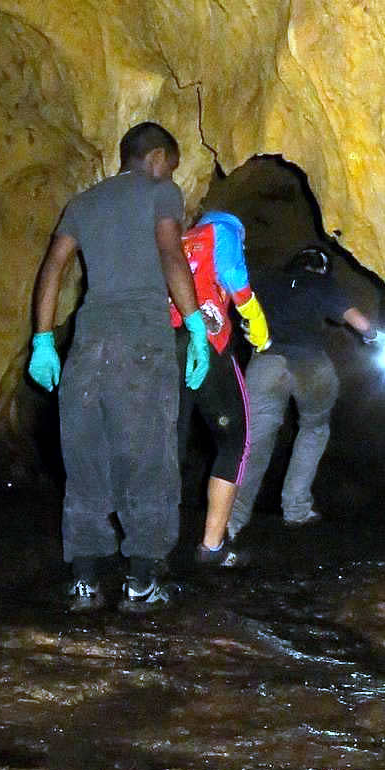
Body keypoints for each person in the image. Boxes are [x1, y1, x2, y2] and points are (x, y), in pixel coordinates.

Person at [27, 122, 211, 615]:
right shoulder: (160, 191)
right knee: (148, 458)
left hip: (87, 347)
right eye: (170, 164)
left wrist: (43, 339)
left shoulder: (83, 203)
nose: (172, 174)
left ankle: (86, 583)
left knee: (86, 457)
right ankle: (141, 582)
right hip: (142, 343)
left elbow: (53, 267)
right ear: (155, 159)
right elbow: (171, 253)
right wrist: (195, 326)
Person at [226, 245, 377, 539]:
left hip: (267, 363)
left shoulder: (267, 280)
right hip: (311, 364)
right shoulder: (322, 283)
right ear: (322, 268)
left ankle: (232, 520)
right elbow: (360, 323)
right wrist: (373, 337)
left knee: (255, 441)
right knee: (314, 427)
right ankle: (296, 509)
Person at [169, 210, 271, 566]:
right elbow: (231, 273)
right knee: (235, 439)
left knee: (170, 440)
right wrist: (254, 317)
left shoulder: (175, 238)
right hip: (207, 342)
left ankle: (150, 547)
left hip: (165, 342)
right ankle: (212, 547)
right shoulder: (223, 230)